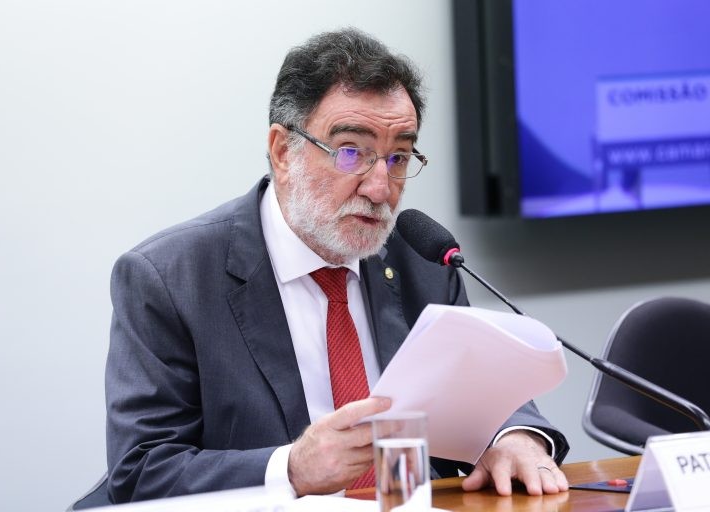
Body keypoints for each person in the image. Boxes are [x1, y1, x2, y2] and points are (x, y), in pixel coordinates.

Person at [105, 27, 570, 503]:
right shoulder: (169, 278)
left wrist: (513, 435)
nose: (380, 187)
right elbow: (141, 472)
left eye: (398, 157)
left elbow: (484, 392)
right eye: (351, 153)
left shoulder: (424, 259)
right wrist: (291, 469)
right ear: (283, 152)